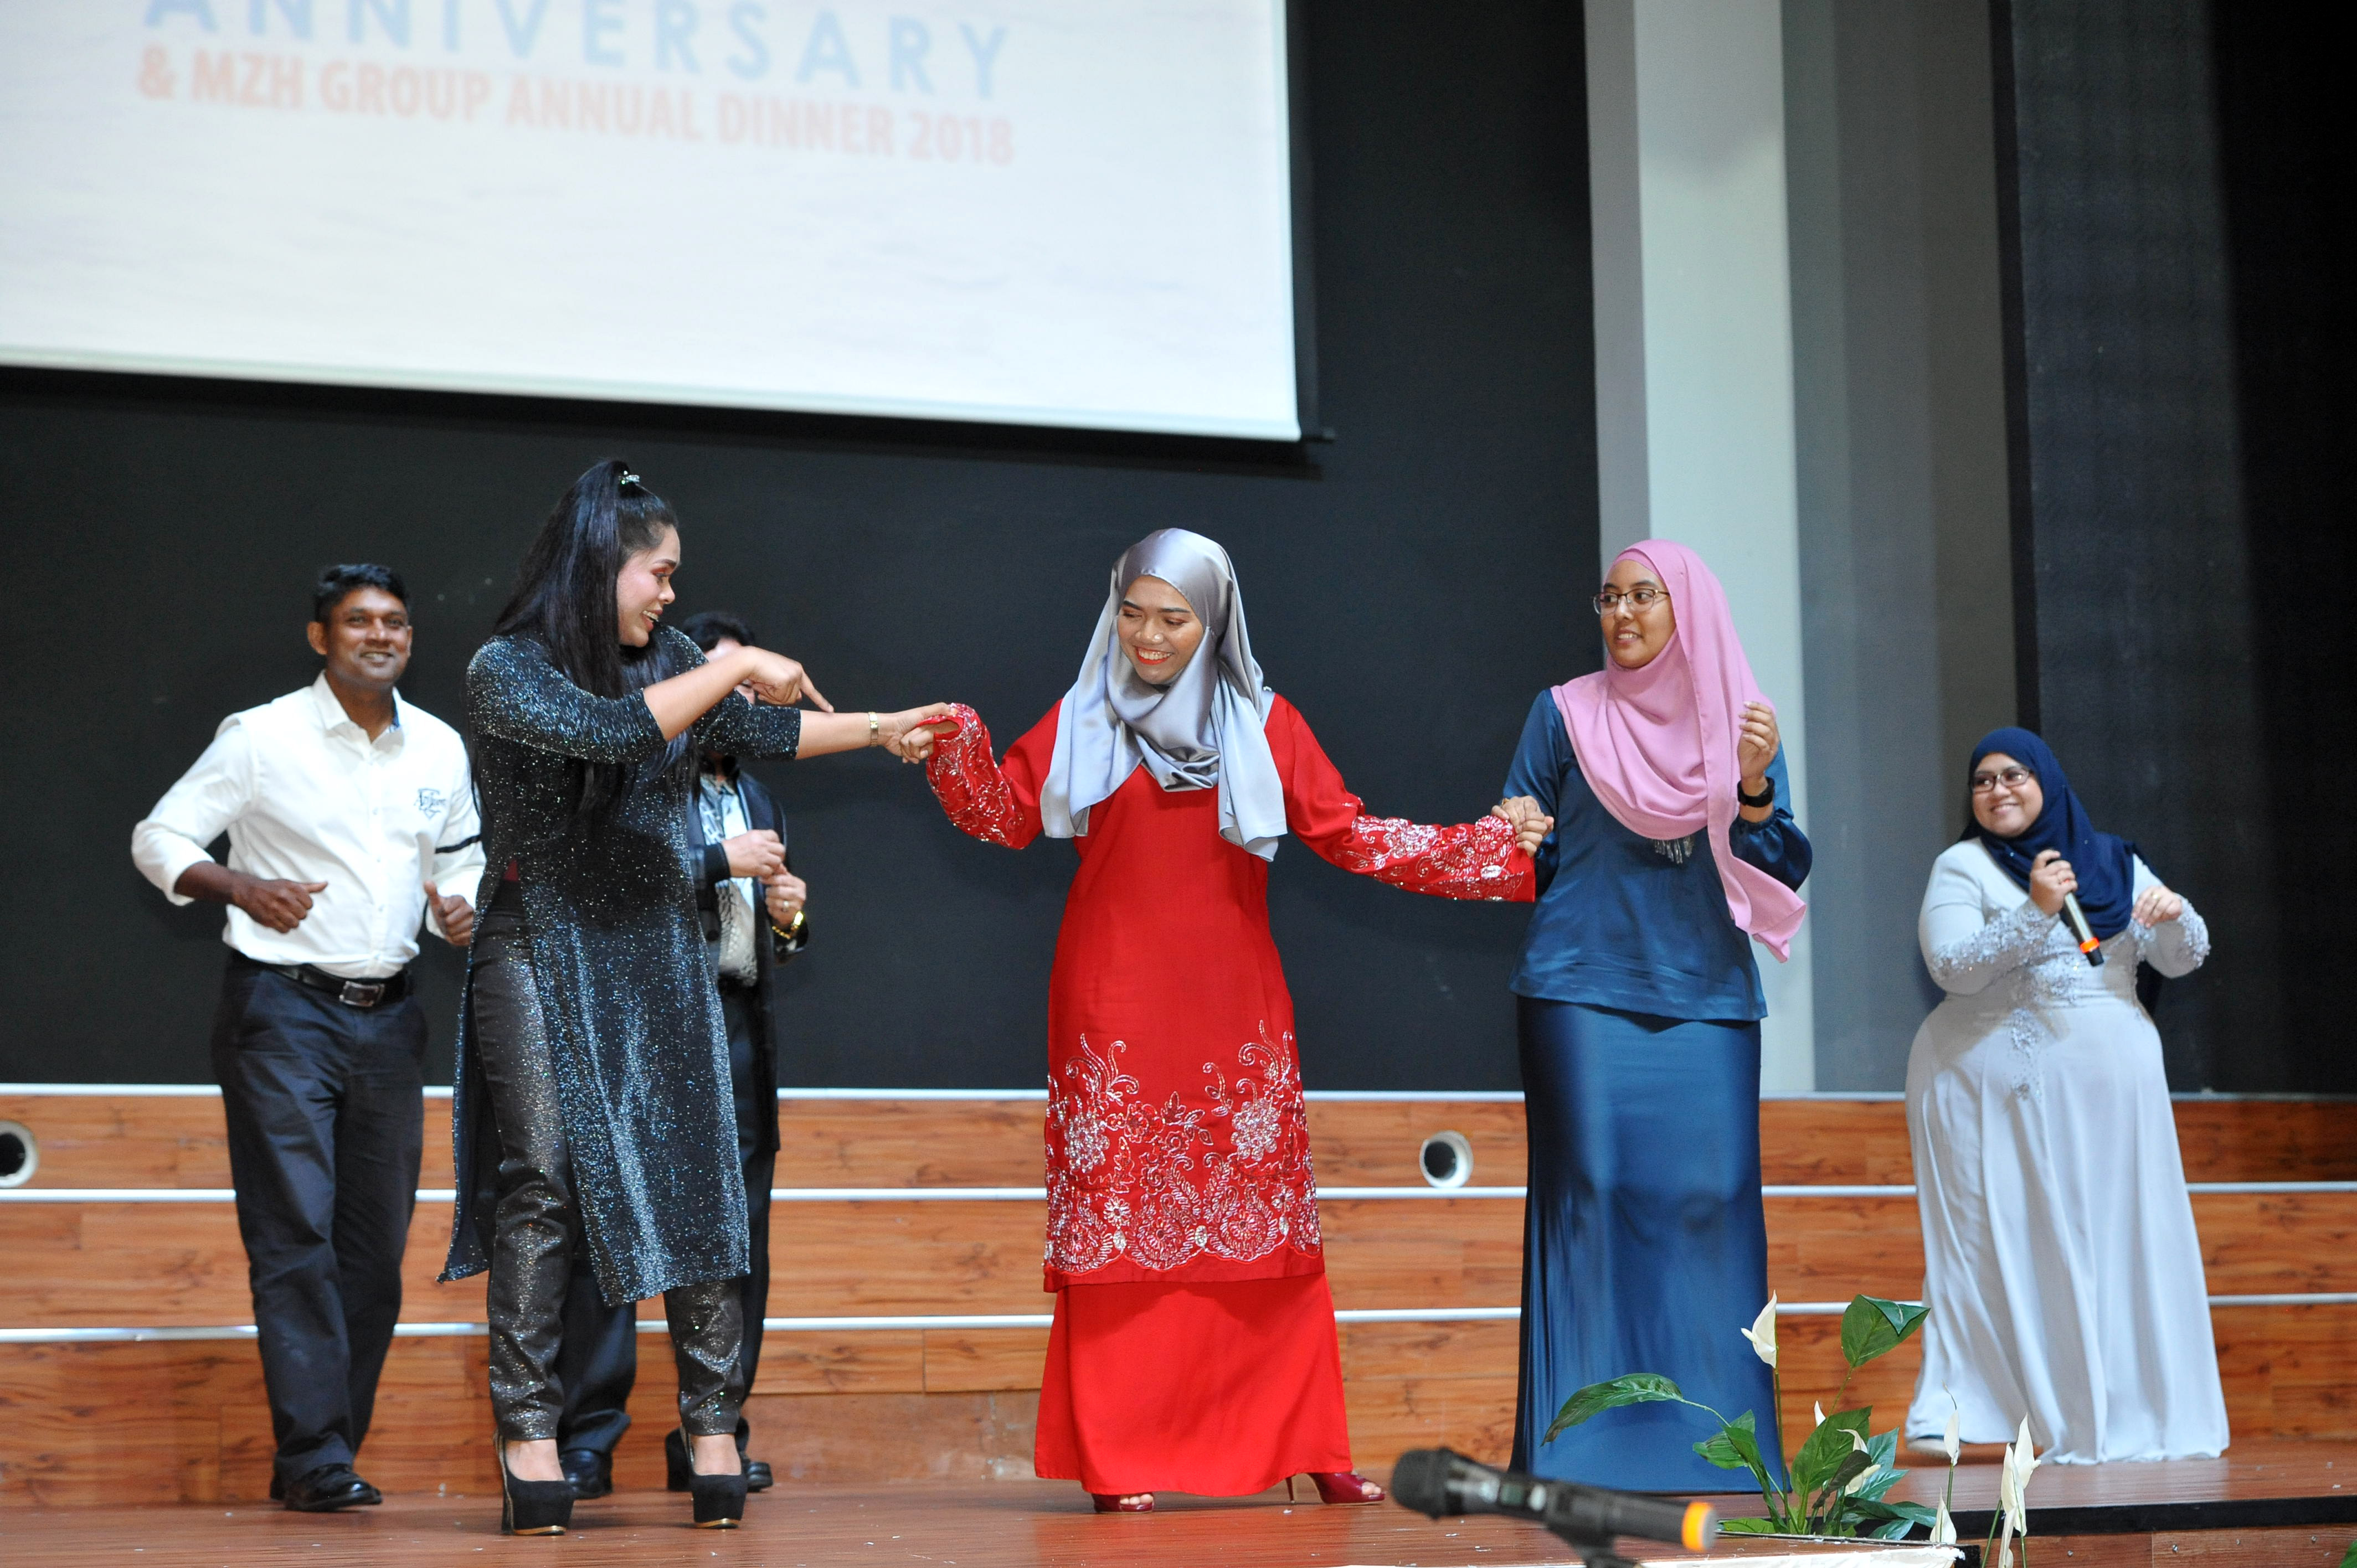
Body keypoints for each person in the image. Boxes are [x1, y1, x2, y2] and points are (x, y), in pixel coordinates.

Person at [902, 528, 1543, 1513]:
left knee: (1269, 1239)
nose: (1149, 637)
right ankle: (1121, 1459)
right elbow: (1003, 814)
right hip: (1112, 1008)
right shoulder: (1083, 715)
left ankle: (1308, 1442)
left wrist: (1490, 849)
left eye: (1174, 618)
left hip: (1234, 1008)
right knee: (1122, 1239)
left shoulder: (1265, 721)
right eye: (1132, 613)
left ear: (1215, 621)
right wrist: (951, 743)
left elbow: (1349, 833)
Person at [442, 461, 946, 1535]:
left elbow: (764, 734)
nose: (671, 593)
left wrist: (882, 726)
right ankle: (529, 1435)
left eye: (675, 577)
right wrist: (739, 665)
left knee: (699, 1174)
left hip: (658, 943)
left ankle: (714, 1428)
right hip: (538, 945)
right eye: (659, 573)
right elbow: (617, 733)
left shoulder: (673, 659)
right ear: (599, 565)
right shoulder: (506, 667)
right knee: (541, 1181)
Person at [130, 564, 484, 1511]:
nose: (381, 635)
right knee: (295, 1235)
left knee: (374, 1253)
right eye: (358, 621)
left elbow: (462, 857)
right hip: (281, 1012)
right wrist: (239, 887)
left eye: (395, 622)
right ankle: (318, 1457)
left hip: (392, 1019)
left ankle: (323, 1454)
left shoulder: (440, 747)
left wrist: (461, 906)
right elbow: (160, 838)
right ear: (320, 638)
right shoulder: (261, 736)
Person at [1495, 540, 1812, 1492]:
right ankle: (1583, 1449)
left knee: (1714, 1199)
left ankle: (1723, 1451)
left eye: (1645, 596)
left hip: (1708, 998)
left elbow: (1781, 865)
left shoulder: (1742, 723)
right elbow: (1522, 852)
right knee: (1590, 1194)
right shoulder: (1562, 712)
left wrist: (1754, 786)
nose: (1622, 614)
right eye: (1610, 597)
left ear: (1689, 610)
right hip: (1581, 991)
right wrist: (1515, 832)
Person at [1904, 729, 2226, 1463]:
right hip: (2003, 1094)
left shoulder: (2114, 860)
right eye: (1982, 780)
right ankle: (2016, 1411)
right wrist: (2035, 910)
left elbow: (2179, 960)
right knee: (2027, 1246)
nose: (1997, 790)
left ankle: (2132, 1408)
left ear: (2047, 781)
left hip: (2117, 1095)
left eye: (2013, 775)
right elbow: (1952, 967)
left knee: (2120, 1243)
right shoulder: (1963, 865)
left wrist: (2176, 915)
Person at [550, 610, 811, 1502]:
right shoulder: (629, 776)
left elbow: (775, 932)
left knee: (740, 1240)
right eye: (727, 684)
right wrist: (715, 860)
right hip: (642, 1031)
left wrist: (791, 917)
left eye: (752, 690)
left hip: (736, 1029)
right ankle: (587, 1441)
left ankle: (715, 1432)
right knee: (613, 1232)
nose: (742, 703)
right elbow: (601, 885)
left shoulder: (760, 795)